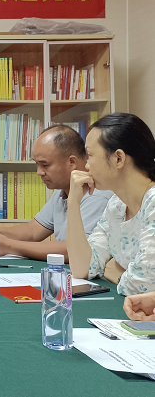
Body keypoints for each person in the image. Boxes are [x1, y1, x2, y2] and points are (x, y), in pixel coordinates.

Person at [0, 125, 112, 262]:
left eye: (45, 165)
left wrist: (9, 246)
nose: (39, 172)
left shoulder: (98, 194)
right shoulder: (63, 191)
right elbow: (32, 231)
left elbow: (75, 250)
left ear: (72, 162)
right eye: (37, 164)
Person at [67, 113, 155, 296]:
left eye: (90, 155)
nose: (86, 166)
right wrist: (73, 203)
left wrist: (117, 272)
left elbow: (144, 284)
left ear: (118, 159)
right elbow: (83, 268)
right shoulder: (117, 205)